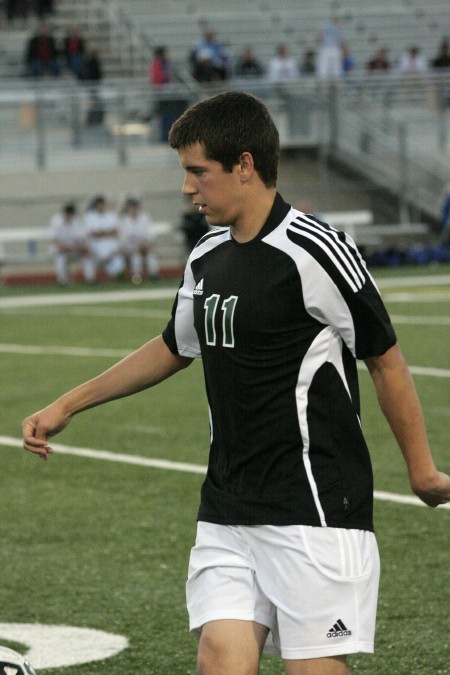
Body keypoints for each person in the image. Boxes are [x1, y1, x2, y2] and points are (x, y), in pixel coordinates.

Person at [22, 91, 450, 675]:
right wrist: (68, 404)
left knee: (312, 669)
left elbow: (386, 359)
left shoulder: (315, 252)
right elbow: (175, 345)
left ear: (244, 165)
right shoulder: (207, 255)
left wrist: (421, 471)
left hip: (314, 507)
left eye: (198, 172)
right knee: (220, 657)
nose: (186, 188)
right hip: (227, 507)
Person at [83, 195, 126, 281]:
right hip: (95, 244)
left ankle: (116, 277)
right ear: (96, 205)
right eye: (99, 205)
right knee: (87, 256)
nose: (101, 206)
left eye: (102, 204)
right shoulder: (90, 217)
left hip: (109, 243)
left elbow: (115, 231)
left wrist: (101, 233)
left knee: (118, 257)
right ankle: (91, 279)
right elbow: (92, 233)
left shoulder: (110, 216)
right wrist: (106, 232)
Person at [47, 202, 90, 285]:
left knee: (87, 254)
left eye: (71, 213)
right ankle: (62, 281)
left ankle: (90, 278)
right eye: (67, 212)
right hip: (59, 248)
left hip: (73, 248)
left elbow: (80, 238)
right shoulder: (56, 221)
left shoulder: (76, 221)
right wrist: (64, 246)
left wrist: (82, 247)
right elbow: (53, 239)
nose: (69, 215)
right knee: (60, 256)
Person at [119, 196, 159, 282]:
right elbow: (125, 238)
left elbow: (149, 233)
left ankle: (153, 275)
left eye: (134, 207)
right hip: (131, 246)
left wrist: (147, 243)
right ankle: (137, 276)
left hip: (144, 244)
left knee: (150, 252)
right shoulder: (124, 220)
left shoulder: (145, 217)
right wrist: (136, 245)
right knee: (135, 254)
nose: (133, 209)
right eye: (131, 207)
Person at [316, 16, 343, 80]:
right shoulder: (325, 25)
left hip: (333, 49)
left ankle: (336, 86)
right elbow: (318, 37)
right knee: (324, 70)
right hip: (326, 48)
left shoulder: (338, 29)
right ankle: (324, 87)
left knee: (336, 70)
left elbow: (340, 41)